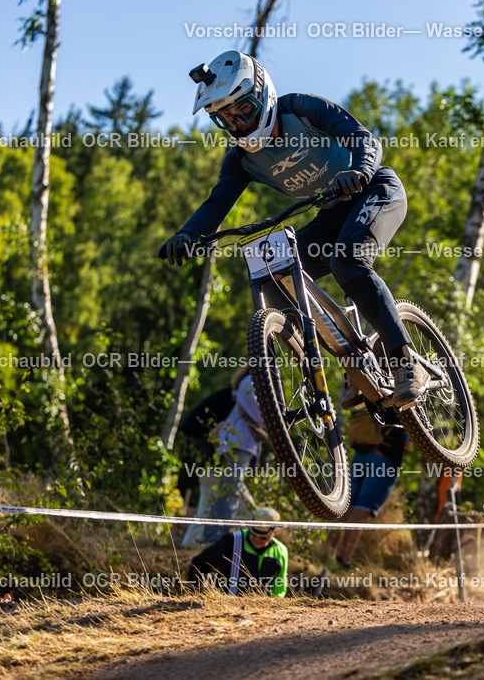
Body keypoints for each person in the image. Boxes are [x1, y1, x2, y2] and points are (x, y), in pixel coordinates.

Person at [158, 49, 427, 407]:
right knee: (274, 275)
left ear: (263, 94)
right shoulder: (241, 160)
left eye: (245, 110)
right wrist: (187, 235)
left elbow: (365, 139)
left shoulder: (301, 108)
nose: (241, 124)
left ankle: (405, 361)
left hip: (374, 189)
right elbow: (216, 204)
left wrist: (360, 169)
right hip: (330, 214)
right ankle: (355, 364)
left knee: (346, 262)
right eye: (228, 118)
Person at [195, 367, 269, 544]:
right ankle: (215, 538)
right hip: (239, 441)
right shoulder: (252, 383)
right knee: (230, 493)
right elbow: (261, 416)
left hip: (236, 440)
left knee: (229, 489)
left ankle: (213, 535)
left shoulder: (246, 381)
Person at [329, 407, 409, 568]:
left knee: (347, 508)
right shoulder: (403, 401)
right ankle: (344, 560)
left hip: (360, 457)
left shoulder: (372, 394)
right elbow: (407, 444)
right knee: (361, 510)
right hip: (383, 461)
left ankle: (327, 554)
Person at [188, 507, 289, 597]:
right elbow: (198, 565)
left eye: (263, 537)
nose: (257, 539)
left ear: (275, 532)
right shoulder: (231, 541)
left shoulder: (281, 551)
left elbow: (279, 588)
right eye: (254, 534)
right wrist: (198, 594)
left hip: (259, 611)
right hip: (226, 607)